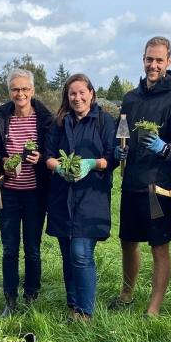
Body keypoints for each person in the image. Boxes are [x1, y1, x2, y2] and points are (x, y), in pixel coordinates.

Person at [110, 36, 171, 316]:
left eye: (159, 60)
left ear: (169, 62)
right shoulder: (131, 98)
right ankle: (126, 293)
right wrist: (119, 149)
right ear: (143, 59)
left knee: (159, 244)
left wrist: (165, 148)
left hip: (158, 186)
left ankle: (154, 307)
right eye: (149, 59)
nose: (153, 65)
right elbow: (121, 132)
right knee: (128, 241)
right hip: (132, 180)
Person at [44, 74, 116, 321]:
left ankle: (85, 311)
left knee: (81, 253)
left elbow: (111, 157)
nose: (77, 98)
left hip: (91, 197)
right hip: (62, 196)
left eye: (81, 92)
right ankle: (73, 304)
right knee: (68, 253)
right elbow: (49, 156)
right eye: (72, 94)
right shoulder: (59, 122)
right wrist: (60, 168)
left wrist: (91, 163)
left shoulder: (104, 121)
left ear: (91, 93)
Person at [0, 69, 54, 316]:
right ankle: (10, 297)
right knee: (9, 248)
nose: (20, 94)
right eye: (16, 89)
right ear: (10, 91)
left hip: (35, 193)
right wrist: (5, 161)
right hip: (8, 192)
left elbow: (52, 151)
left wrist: (41, 158)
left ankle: (31, 295)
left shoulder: (45, 118)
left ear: (32, 90)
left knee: (32, 247)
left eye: (25, 89)